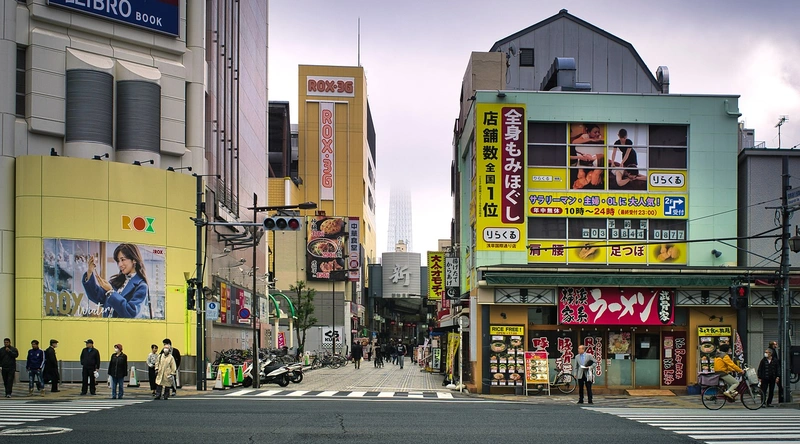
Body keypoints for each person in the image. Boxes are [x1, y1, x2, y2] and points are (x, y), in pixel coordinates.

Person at [82, 244, 150, 318]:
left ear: (134, 260)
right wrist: (89, 273)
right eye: (118, 261)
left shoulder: (141, 286)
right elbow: (97, 297)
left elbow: (131, 312)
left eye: (123, 260)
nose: (120, 264)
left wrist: (111, 292)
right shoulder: (116, 282)